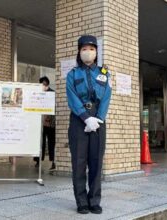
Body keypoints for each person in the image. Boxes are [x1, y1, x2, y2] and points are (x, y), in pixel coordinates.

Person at [66, 35, 112, 214]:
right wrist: (86, 118)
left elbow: (107, 96)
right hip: (79, 119)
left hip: (99, 120)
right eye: (84, 49)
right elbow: (71, 97)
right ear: (79, 51)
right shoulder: (73, 74)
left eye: (91, 49)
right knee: (78, 162)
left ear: (96, 52)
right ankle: (81, 201)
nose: (88, 52)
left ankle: (94, 200)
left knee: (96, 162)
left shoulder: (104, 73)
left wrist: (98, 118)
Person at [34, 76, 56, 171]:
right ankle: (38, 160)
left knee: (51, 143)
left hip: (51, 123)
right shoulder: (38, 93)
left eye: (42, 84)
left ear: (46, 84)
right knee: (40, 142)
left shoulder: (52, 93)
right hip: (40, 123)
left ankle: (53, 162)